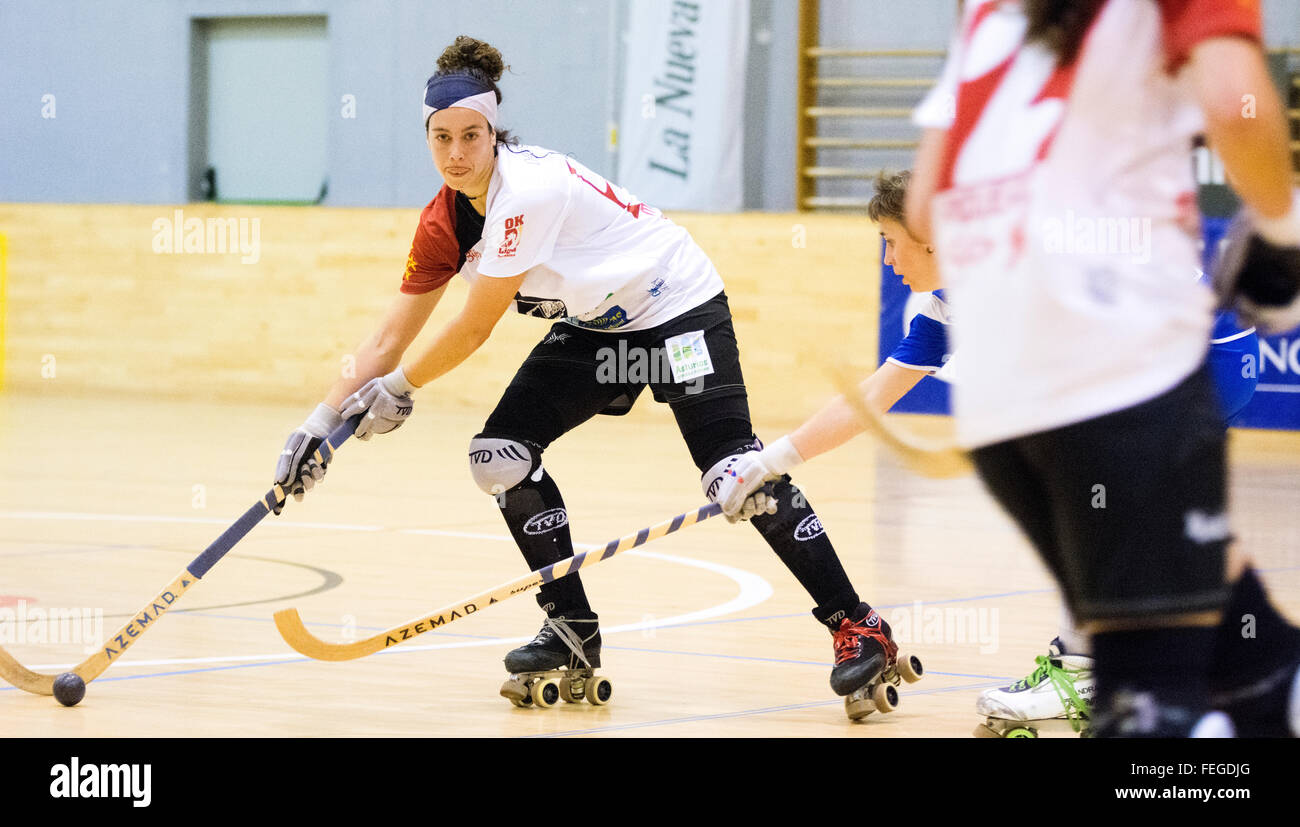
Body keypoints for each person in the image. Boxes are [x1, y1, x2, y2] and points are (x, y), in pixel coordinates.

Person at [271, 35, 912, 715]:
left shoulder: (526, 192)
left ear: (494, 133)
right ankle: (571, 628)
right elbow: (385, 336)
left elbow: (472, 326)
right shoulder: (443, 221)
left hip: (677, 310)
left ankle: (856, 623)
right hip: (601, 329)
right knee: (499, 456)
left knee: (735, 475)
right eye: (440, 138)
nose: (456, 153)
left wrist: (399, 389)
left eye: (470, 135)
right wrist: (317, 425)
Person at [717, 166, 1263, 736]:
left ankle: (1086, 669)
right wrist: (767, 463)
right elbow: (870, 399)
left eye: (891, 242)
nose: (888, 260)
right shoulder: (959, 295)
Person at [902, 0, 1300, 737]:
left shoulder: (989, 10)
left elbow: (927, 206)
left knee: (1228, 639)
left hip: (999, 404)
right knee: (1151, 702)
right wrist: (1286, 230)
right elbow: (1235, 106)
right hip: (1120, 366)